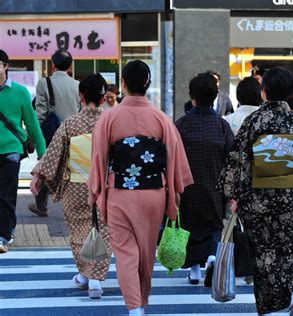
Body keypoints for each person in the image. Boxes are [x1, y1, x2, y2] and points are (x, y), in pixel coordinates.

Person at [88, 60, 193, 316]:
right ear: (147, 84)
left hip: (119, 194)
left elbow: (99, 158)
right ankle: (142, 302)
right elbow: (174, 159)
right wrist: (175, 191)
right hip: (153, 193)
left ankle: (135, 308)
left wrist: (96, 190)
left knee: (125, 252)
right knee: (146, 253)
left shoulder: (109, 118)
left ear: (123, 84)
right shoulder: (160, 118)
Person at [218, 67, 293, 315]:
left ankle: (268, 307)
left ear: (264, 91)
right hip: (289, 196)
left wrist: (231, 192)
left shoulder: (255, 121)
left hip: (258, 197)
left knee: (264, 251)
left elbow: (238, 159)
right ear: (289, 93)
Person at [30, 74, 112, 299]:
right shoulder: (112, 122)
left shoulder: (71, 123)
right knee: (103, 229)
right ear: (104, 99)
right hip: (106, 185)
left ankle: (86, 275)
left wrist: (38, 175)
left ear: (81, 97)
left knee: (79, 231)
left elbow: (54, 153)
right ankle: (92, 278)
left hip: (77, 184)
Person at [176, 73, 234, 285]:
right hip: (214, 189)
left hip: (187, 189)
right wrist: (231, 193)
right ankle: (211, 257)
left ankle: (194, 271)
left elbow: (170, 159)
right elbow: (232, 161)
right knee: (212, 228)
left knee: (189, 227)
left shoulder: (181, 125)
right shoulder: (222, 126)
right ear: (214, 97)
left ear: (192, 98)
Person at [0, 50, 46, 253]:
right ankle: (8, 227)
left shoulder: (20, 92)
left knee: (6, 196)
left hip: (11, 150)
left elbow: (32, 125)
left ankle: (4, 236)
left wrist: (43, 154)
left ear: (5, 66)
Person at [29, 49, 81, 217]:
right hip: (73, 134)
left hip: (51, 134)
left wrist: (33, 135)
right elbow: (79, 111)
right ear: (70, 65)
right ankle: (73, 207)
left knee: (45, 169)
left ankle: (42, 206)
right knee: (70, 170)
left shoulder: (45, 83)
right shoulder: (78, 85)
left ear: (53, 65)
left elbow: (40, 113)